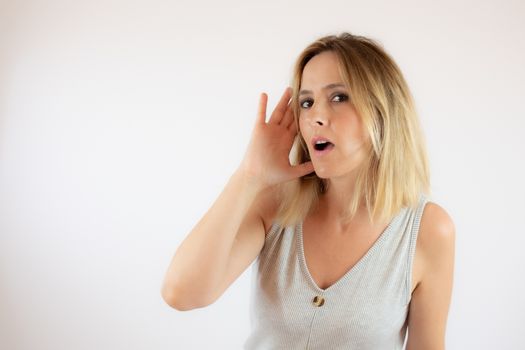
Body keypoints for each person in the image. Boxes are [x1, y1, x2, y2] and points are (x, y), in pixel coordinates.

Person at [161, 32, 455, 350]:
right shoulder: (275, 206)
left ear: (383, 111)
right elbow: (182, 293)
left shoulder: (428, 230)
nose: (316, 116)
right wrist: (249, 176)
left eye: (339, 97)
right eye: (306, 102)